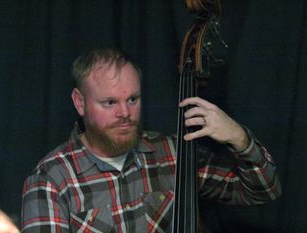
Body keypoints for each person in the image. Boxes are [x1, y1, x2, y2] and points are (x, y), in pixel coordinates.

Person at [21, 48, 281, 233]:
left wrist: (238, 137)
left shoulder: (172, 152)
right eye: (110, 102)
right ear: (80, 102)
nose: (125, 113)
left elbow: (263, 191)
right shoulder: (50, 180)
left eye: (132, 99)